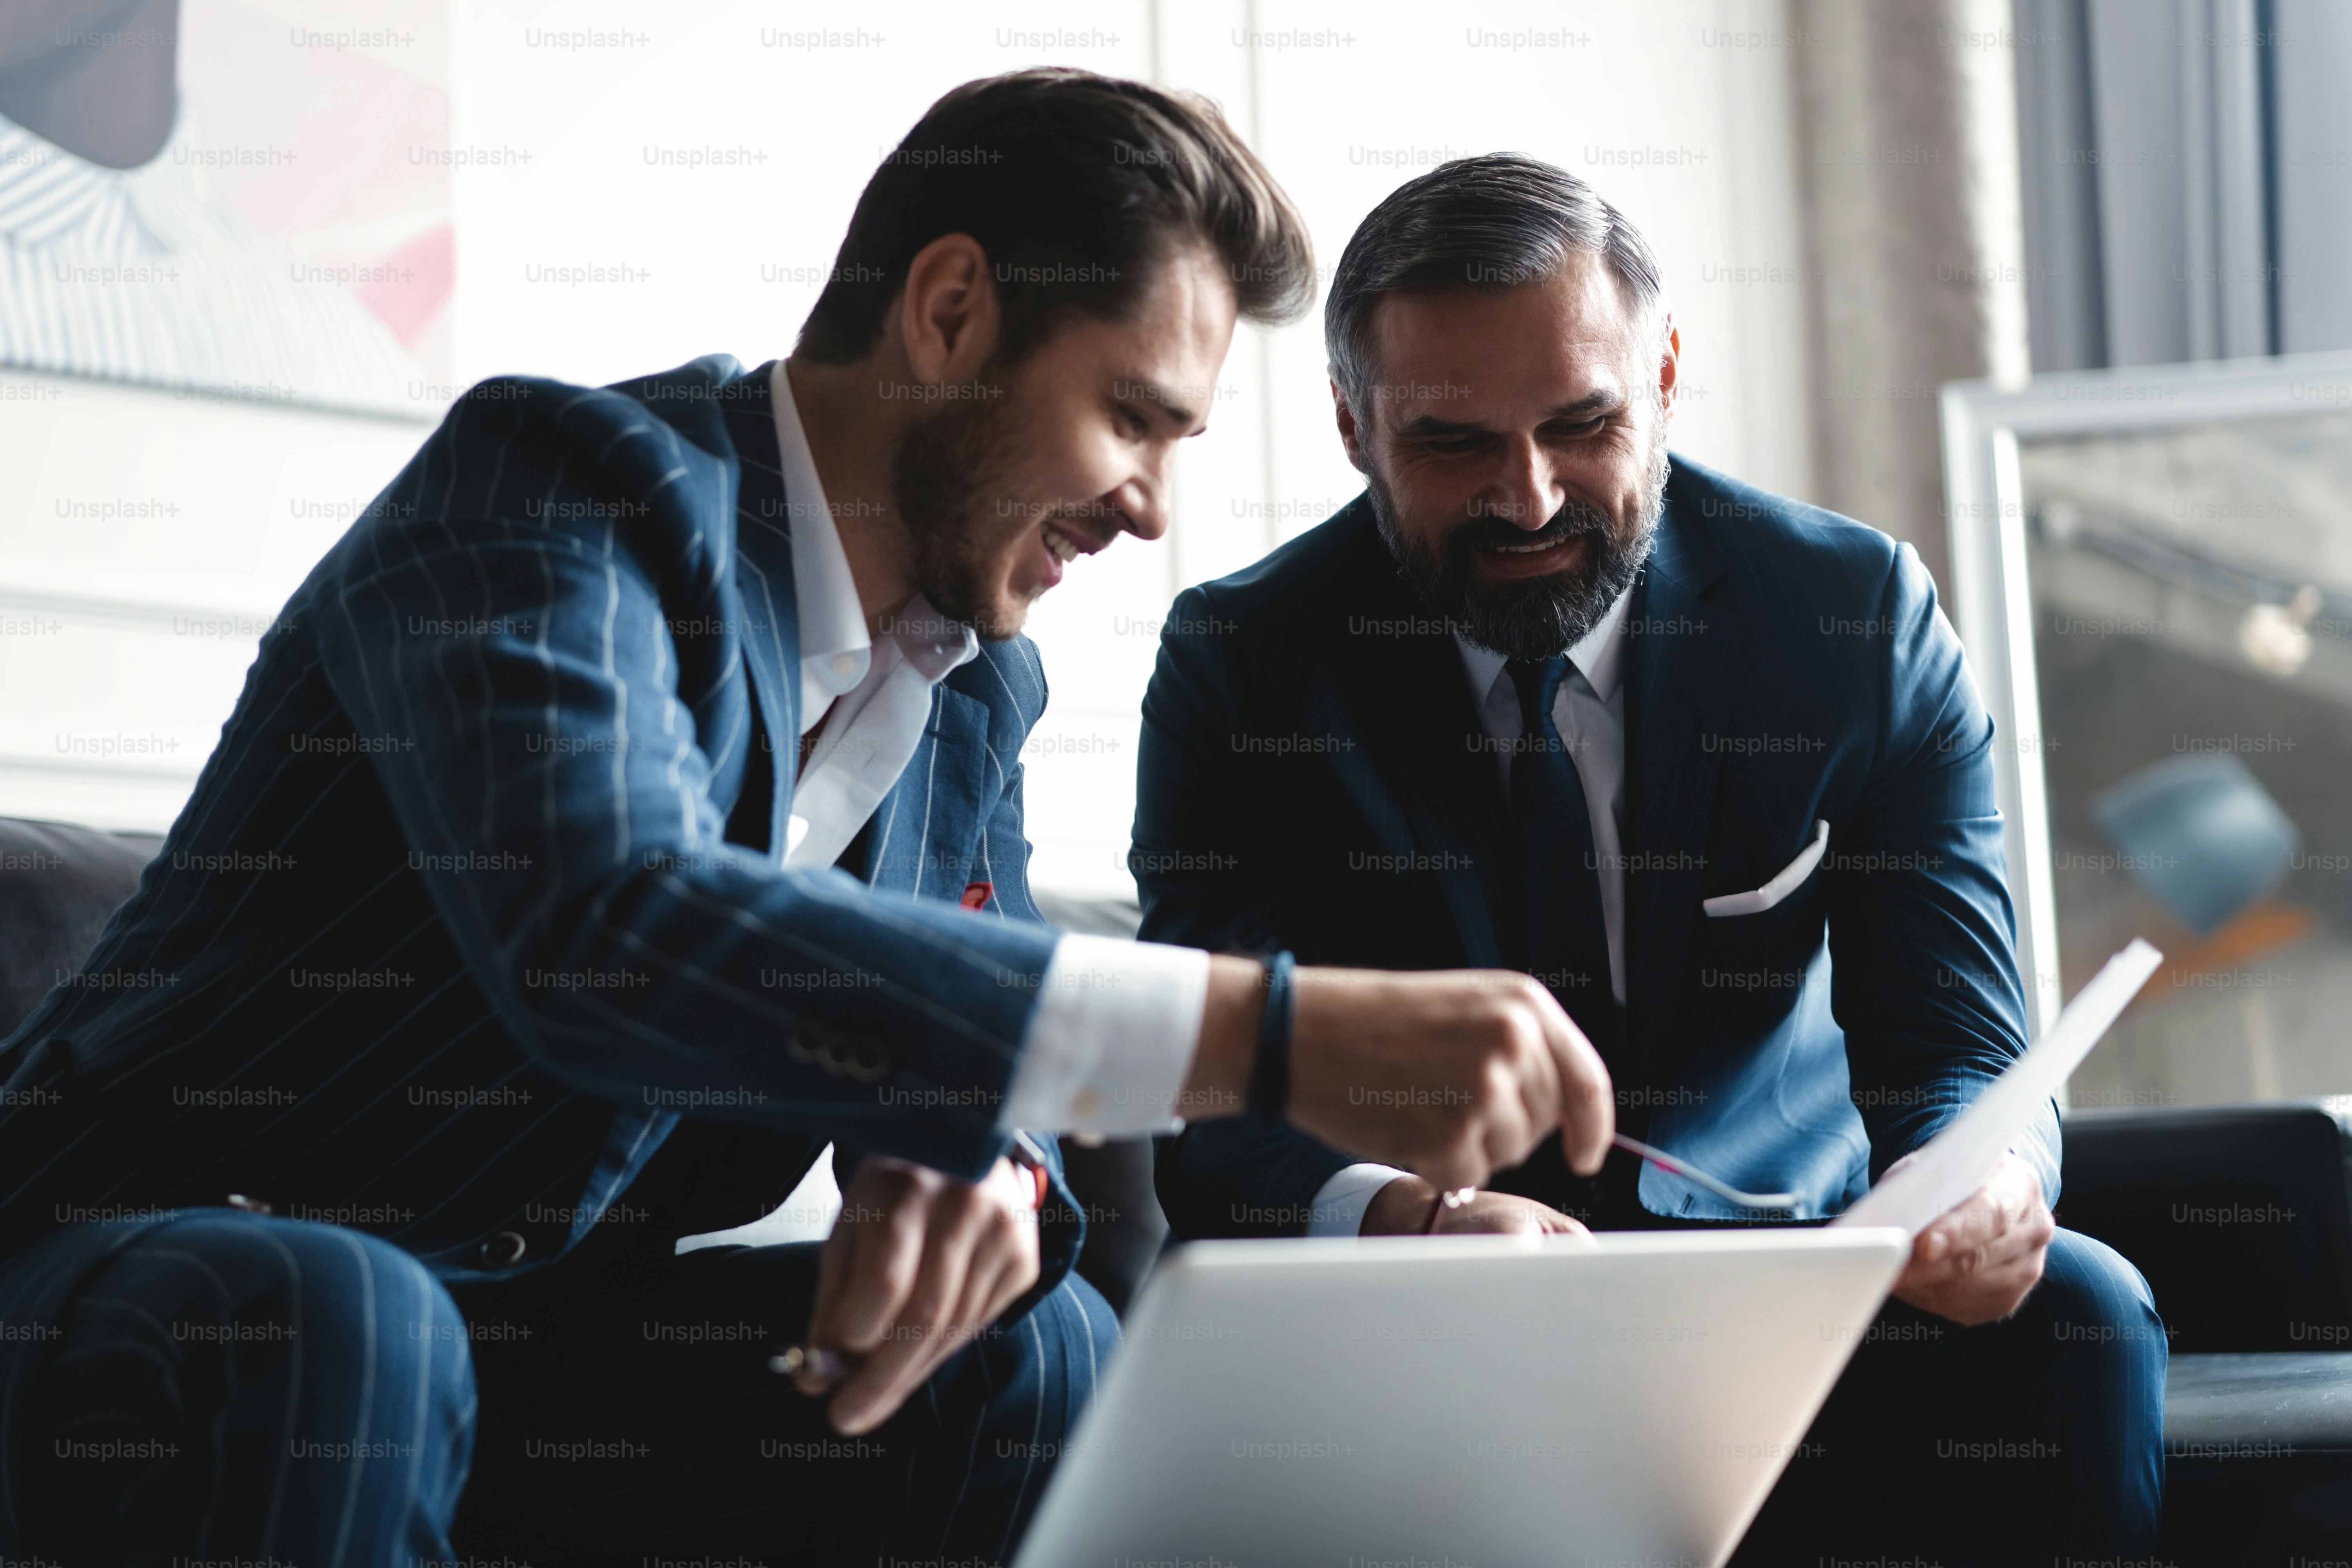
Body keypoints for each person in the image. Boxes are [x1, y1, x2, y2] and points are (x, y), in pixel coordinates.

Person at [0, 78, 1613, 1566]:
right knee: (335, 1324)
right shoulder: (562, 495)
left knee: (1025, 1348)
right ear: (951, 307)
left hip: (544, 1360)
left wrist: (979, 1154)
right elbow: (607, 920)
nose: (1149, 506)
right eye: (1132, 416)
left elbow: (990, 1014)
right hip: (148, 1290)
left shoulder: (976, 691)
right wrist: (1272, 1036)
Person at [1134, 153, 2166, 1559]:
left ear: (1667, 372)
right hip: (1438, 1327)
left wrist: (1984, 1190)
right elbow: (1212, 1095)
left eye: (1583, 424)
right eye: (1452, 445)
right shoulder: (1241, 666)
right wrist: (1403, 1224)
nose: (1532, 497)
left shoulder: (1851, 620)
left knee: (2076, 1316)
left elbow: (1956, 1039)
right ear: (1351, 426)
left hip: (1791, 1290)